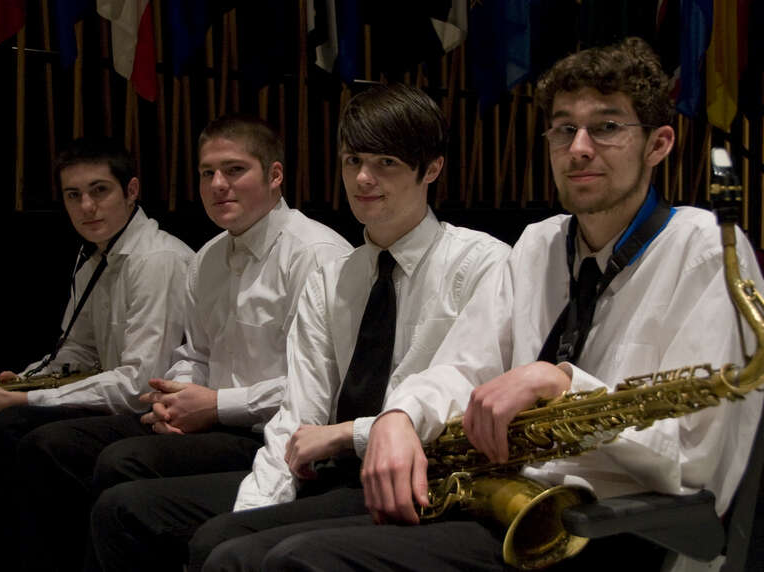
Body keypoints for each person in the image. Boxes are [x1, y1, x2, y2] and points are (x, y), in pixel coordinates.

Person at [200, 38, 764, 572]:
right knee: (231, 552)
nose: (580, 148)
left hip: (611, 527)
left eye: (607, 127)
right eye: (564, 129)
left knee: (293, 562)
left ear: (659, 143)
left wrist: (567, 386)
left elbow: (698, 459)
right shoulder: (541, 244)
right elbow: (461, 365)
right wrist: (401, 415)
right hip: (503, 499)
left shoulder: (707, 250)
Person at [87, 83, 511, 572]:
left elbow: (467, 407)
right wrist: (259, 506)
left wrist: (346, 434)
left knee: (240, 554)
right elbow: (297, 415)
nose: (364, 178)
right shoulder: (335, 279)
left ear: (431, 168)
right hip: (334, 473)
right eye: (352, 161)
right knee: (163, 522)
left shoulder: (481, 263)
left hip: (428, 479)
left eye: (386, 163)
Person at [11, 115, 351, 572]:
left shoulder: (315, 254)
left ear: (274, 176)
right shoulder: (209, 257)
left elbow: (320, 391)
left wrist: (214, 404)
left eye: (234, 170)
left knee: (122, 468)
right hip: (216, 422)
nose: (218, 185)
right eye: (207, 173)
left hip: (277, 433)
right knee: (47, 442)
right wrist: (175, 397)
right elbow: (196, 354)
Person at [0, 137, 194, 572]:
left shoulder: (157, 259)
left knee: (25, 433)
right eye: (74, 195)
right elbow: (78, 349)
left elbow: (138, 383)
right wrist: (26, 380)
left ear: (131, 191)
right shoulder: (94, 259)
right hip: (118, 401)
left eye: (99, 190)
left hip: (157, 412)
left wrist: (21, 400)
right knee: (0, 420)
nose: (86, 206)